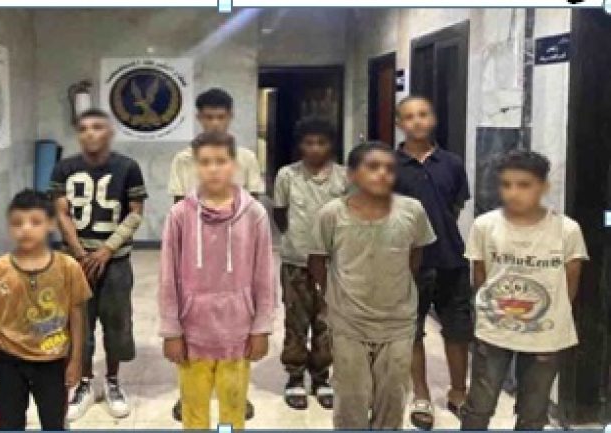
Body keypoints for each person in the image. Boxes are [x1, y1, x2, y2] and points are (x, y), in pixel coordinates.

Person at [309, 142, 436, 429]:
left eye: (389, 168)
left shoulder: (412, 211)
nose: (382, 174)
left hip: (397, 321)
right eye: (373, 167)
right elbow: (317, 260)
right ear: (352, 174)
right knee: (351, 397)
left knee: (392, 396)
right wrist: (332, 296)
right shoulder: (332, 214)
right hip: (349, 321)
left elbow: (415, 256)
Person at [460, 150, 587, 430]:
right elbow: (480, 275)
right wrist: (490, 310)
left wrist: (547, 315)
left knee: (534, 411)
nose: (514, 193)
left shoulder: (567, 230)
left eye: (524, 185)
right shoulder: (485, 226)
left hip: (546, 333)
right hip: (494, 328)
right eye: (507, 185)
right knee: (479, 405)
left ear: (543, 187)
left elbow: (571, 280)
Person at [159, 131, 275, 430]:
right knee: (194, 411)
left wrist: (261, 327)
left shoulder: (255, 215)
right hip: (192, 333)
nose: (213, 169)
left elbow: (265, 276)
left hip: (238, 334)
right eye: (205, 162)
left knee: (231, 413)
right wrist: (171, 330)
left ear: (234, 165)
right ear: (195, 167)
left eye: (221, 161)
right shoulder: (179, 215)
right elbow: (168, 277)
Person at [50, 109, 147, 421]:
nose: (90, 133)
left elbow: (135, 213)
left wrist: (107, 249)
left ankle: (113, 380)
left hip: (114, 260)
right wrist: (80, 253)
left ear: (109, 132)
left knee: (117, 324)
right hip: (75, 260)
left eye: (97, 127)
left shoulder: (127, 167)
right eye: (84, 128)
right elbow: (61, 212)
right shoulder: (64, 167)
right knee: (79, 323)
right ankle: (85, 382)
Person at [0, 190, 91, 430]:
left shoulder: (69, 268)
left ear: (51, 224)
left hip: (52, 361)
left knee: (53, 423)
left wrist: (76, 361)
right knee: (9, 424)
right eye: (18, 223)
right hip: (7, 362)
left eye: (35, 222)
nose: (26, 229)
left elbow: (77, 317)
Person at [393, 96, 472, 429]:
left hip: (451, 258)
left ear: (433, 119)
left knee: (458, 329)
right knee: (412, 330)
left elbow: (455, 206)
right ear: (400, 124)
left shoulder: (452, 163)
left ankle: (458, 392)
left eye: (423, 114)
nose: (417, 121)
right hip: (408, 262)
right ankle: (421, 393)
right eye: (409, 116)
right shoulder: (389, 165)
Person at [273, 118, 347, 410]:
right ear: (300, 145)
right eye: (309, 143)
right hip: (296, 261)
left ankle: (321, 377)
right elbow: (280, 215)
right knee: (296, 320)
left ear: (331, 145)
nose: (315, 148)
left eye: (321, 143)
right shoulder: (287, 176)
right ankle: (294, 377)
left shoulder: (344, 177)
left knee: (326, 321)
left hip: (333, 264)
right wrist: (297, 241)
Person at [168, 88, 265, 202]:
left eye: (221, 117)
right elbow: (179, 204)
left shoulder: (247, 158)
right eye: (209, 117)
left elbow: (254, 204)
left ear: (230, 116)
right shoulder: (183, 159)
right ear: (199, 117)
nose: (215, 123)